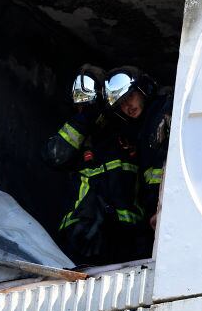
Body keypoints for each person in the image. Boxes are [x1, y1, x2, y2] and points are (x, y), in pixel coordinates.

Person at [43, 65, 154, 265]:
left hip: (128, 234)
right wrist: (84, 119)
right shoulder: (79, 133)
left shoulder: (127, 128)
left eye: (90, 103)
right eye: (80, 105)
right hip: (82, 231)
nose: (85, 109)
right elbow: (54, 157)